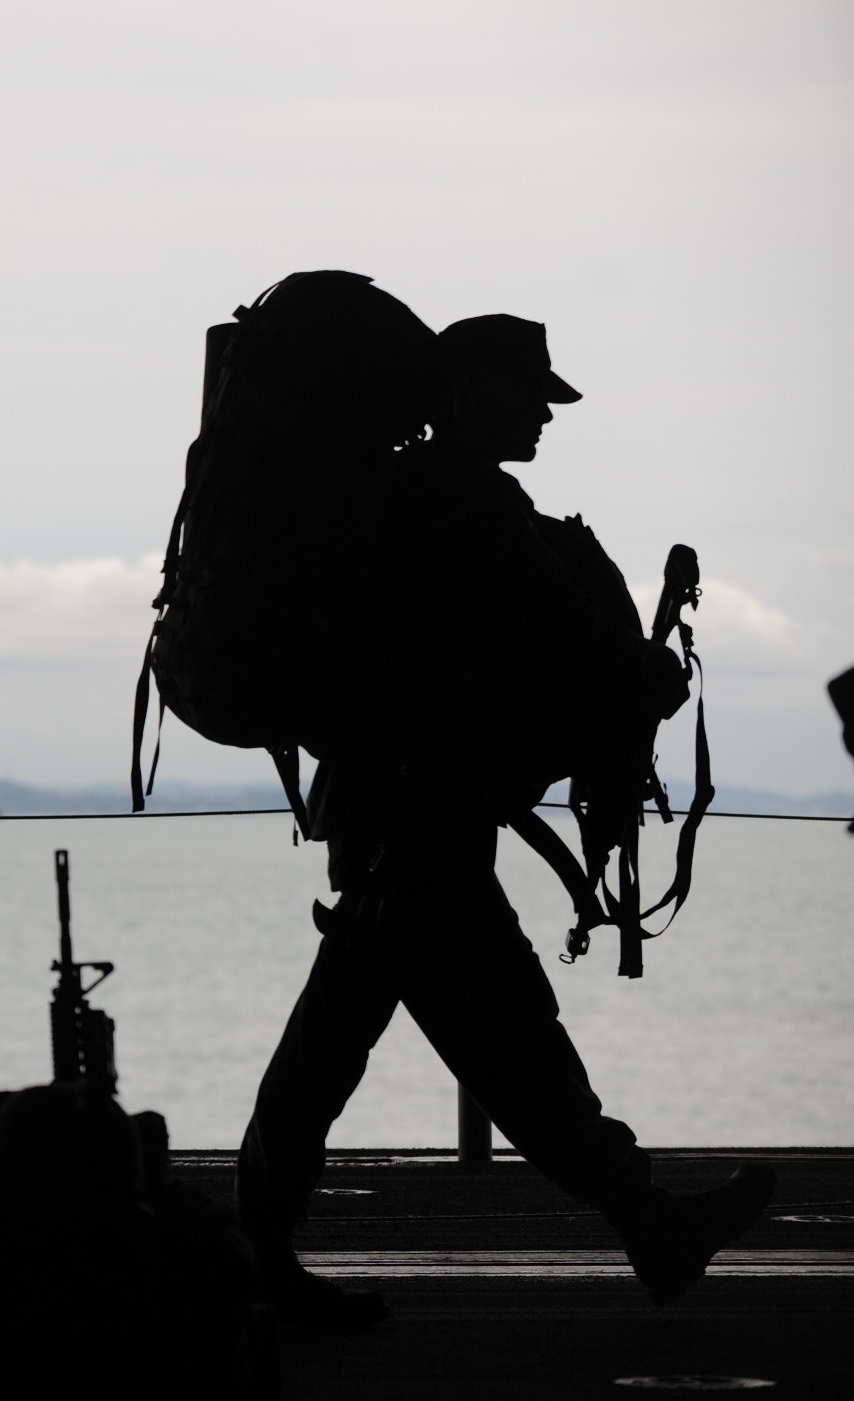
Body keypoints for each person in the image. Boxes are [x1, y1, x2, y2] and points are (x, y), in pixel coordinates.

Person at [233, 312, 775, 1328]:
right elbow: (564, 643)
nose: (542, 413)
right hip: (418, 819)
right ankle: (645, 1219)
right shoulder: (465, 502)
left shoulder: (413, 498)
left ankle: (258, 1245)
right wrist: (654, 672)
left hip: (400, 813)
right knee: (502, 1046)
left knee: (396, 1043)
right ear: (468, 390)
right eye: (529, 393)